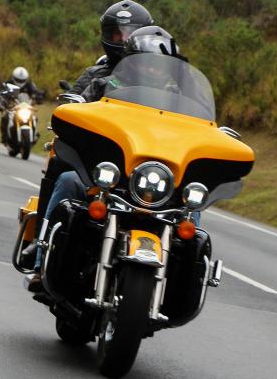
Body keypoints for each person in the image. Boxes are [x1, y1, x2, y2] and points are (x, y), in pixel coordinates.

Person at [25, 26, 178, 293]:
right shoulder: (103, 84)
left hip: (154, 178)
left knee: (191, 208)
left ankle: (179, 277)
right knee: (67, 180)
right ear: (131, 62)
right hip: (107, 173)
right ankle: (41, 261)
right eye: (146, 63)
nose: (153, 70)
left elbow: (200, 128)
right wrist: (73, 115)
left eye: (159, 66)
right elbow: (75, 113)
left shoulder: (178, 98)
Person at [68, 0, 154, 96]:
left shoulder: (156, 74)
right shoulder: (93, 75)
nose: (123, 38)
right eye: (118, 33)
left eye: (130, 33)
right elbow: (68, 107)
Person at [0, 66, 45, 144]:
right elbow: (1, 93)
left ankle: (34, 135)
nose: (20, 81)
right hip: (12, 107)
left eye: (22, 80)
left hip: (25, 106)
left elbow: (35, 92)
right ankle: (4, 137)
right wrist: (3, 100)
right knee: (4, 117)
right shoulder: (8, 83)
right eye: (18, 80)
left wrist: (38, 97)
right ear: (13, 77)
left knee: (34, 118)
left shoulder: (29, 84)